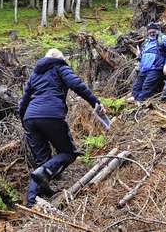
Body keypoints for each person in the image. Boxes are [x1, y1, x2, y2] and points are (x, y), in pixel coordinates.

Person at [19, 48, 107, 208]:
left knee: (42, 161)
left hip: (29, 119)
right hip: (51, 115)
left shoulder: (35, 74)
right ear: (60, 58)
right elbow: (78, 85)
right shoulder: (61, 67)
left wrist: (25, 121)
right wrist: (96, 102)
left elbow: (23, 102)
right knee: (68, 153)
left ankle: (31, 202)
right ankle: (41, 182)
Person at [129, 22, 166, 102]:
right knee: (137, 85)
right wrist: (140, 56)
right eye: (149, 32)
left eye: (153, 32)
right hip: (144, 69)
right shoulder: (147, 42)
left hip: (155, 68)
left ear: (157, 30)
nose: (151, 34)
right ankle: (134, 97)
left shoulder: (162, 38)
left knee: (147, 86)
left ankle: (139, 101)